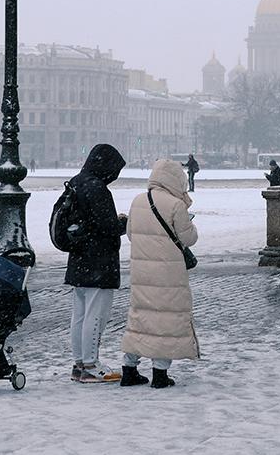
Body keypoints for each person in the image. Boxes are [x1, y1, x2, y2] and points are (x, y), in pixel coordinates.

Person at [121, 158, 199, 389]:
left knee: (140, 318)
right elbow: (188, 238)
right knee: (166, 320)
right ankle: (160, 374)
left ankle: (129, 369)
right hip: (168, 274)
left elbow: (131, 234)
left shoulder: (138, 200)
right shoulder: (175, 205)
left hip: (142, 272)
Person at [64, 143, 128, 384]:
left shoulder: (76, 182)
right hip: (99, 261)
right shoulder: (97, 188)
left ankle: (79, 363)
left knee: (79, 315)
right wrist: (122, 223)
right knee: (95, 315)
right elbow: (107, 227)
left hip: (79, 258)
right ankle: (91, 365)